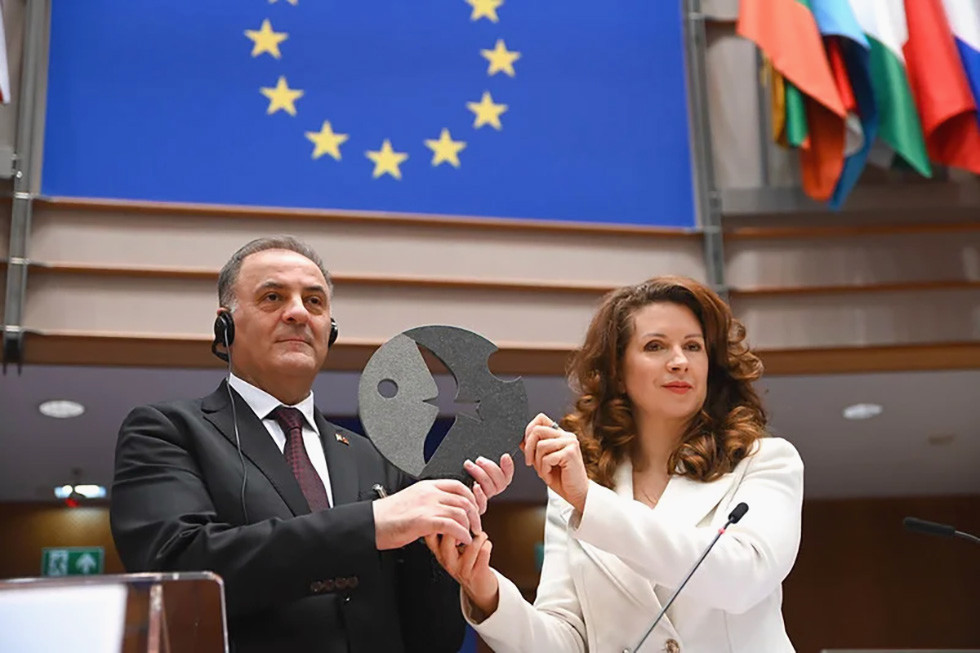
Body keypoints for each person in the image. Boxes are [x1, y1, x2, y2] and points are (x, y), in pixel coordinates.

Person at [110, 235, 514, 653]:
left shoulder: (373, 459)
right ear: (225, 325)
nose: (299, 312)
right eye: (272, 297)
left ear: (330, 330)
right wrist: (371, 524)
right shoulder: (166, 431)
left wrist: (444, 549)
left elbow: (431, 640)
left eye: (315, 302)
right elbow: (179, 572)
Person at [429, 276, 804, 652]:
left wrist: (590, 502)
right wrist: (487, 592)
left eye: (693, 346)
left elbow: (742, 580)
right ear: (617, 372)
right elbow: (566, 641)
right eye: (655, 346)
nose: (679, 361)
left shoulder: (767, 462)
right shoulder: (581, 487)